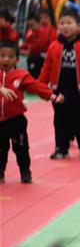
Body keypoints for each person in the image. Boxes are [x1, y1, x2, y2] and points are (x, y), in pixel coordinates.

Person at [39, 7, 80, 160]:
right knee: (60, 120)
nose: (65, 26)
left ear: (78, 26)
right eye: (62, 23)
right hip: (60, 90)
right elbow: (47, 67)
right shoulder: (54, 46)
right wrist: (40, 85)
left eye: (69, 23)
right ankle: (61, 148)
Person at [0, 40, 53, 183]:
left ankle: (25, 172)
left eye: (10, 56)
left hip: (16, 120)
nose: (6, 59)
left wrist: (51, 95)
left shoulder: (21, 75)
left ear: (17, 59)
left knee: (21, 148)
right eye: (2, 55)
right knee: (1, 150)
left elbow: (36, 87)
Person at [21, 10, 56, 79]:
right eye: (42, 17)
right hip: (33, 59)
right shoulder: (30, 32)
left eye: (46, 17)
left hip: (44, 59)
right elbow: (24, 45)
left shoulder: (50, 31)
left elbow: (39, 46)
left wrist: (29, 51)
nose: (44, 20)